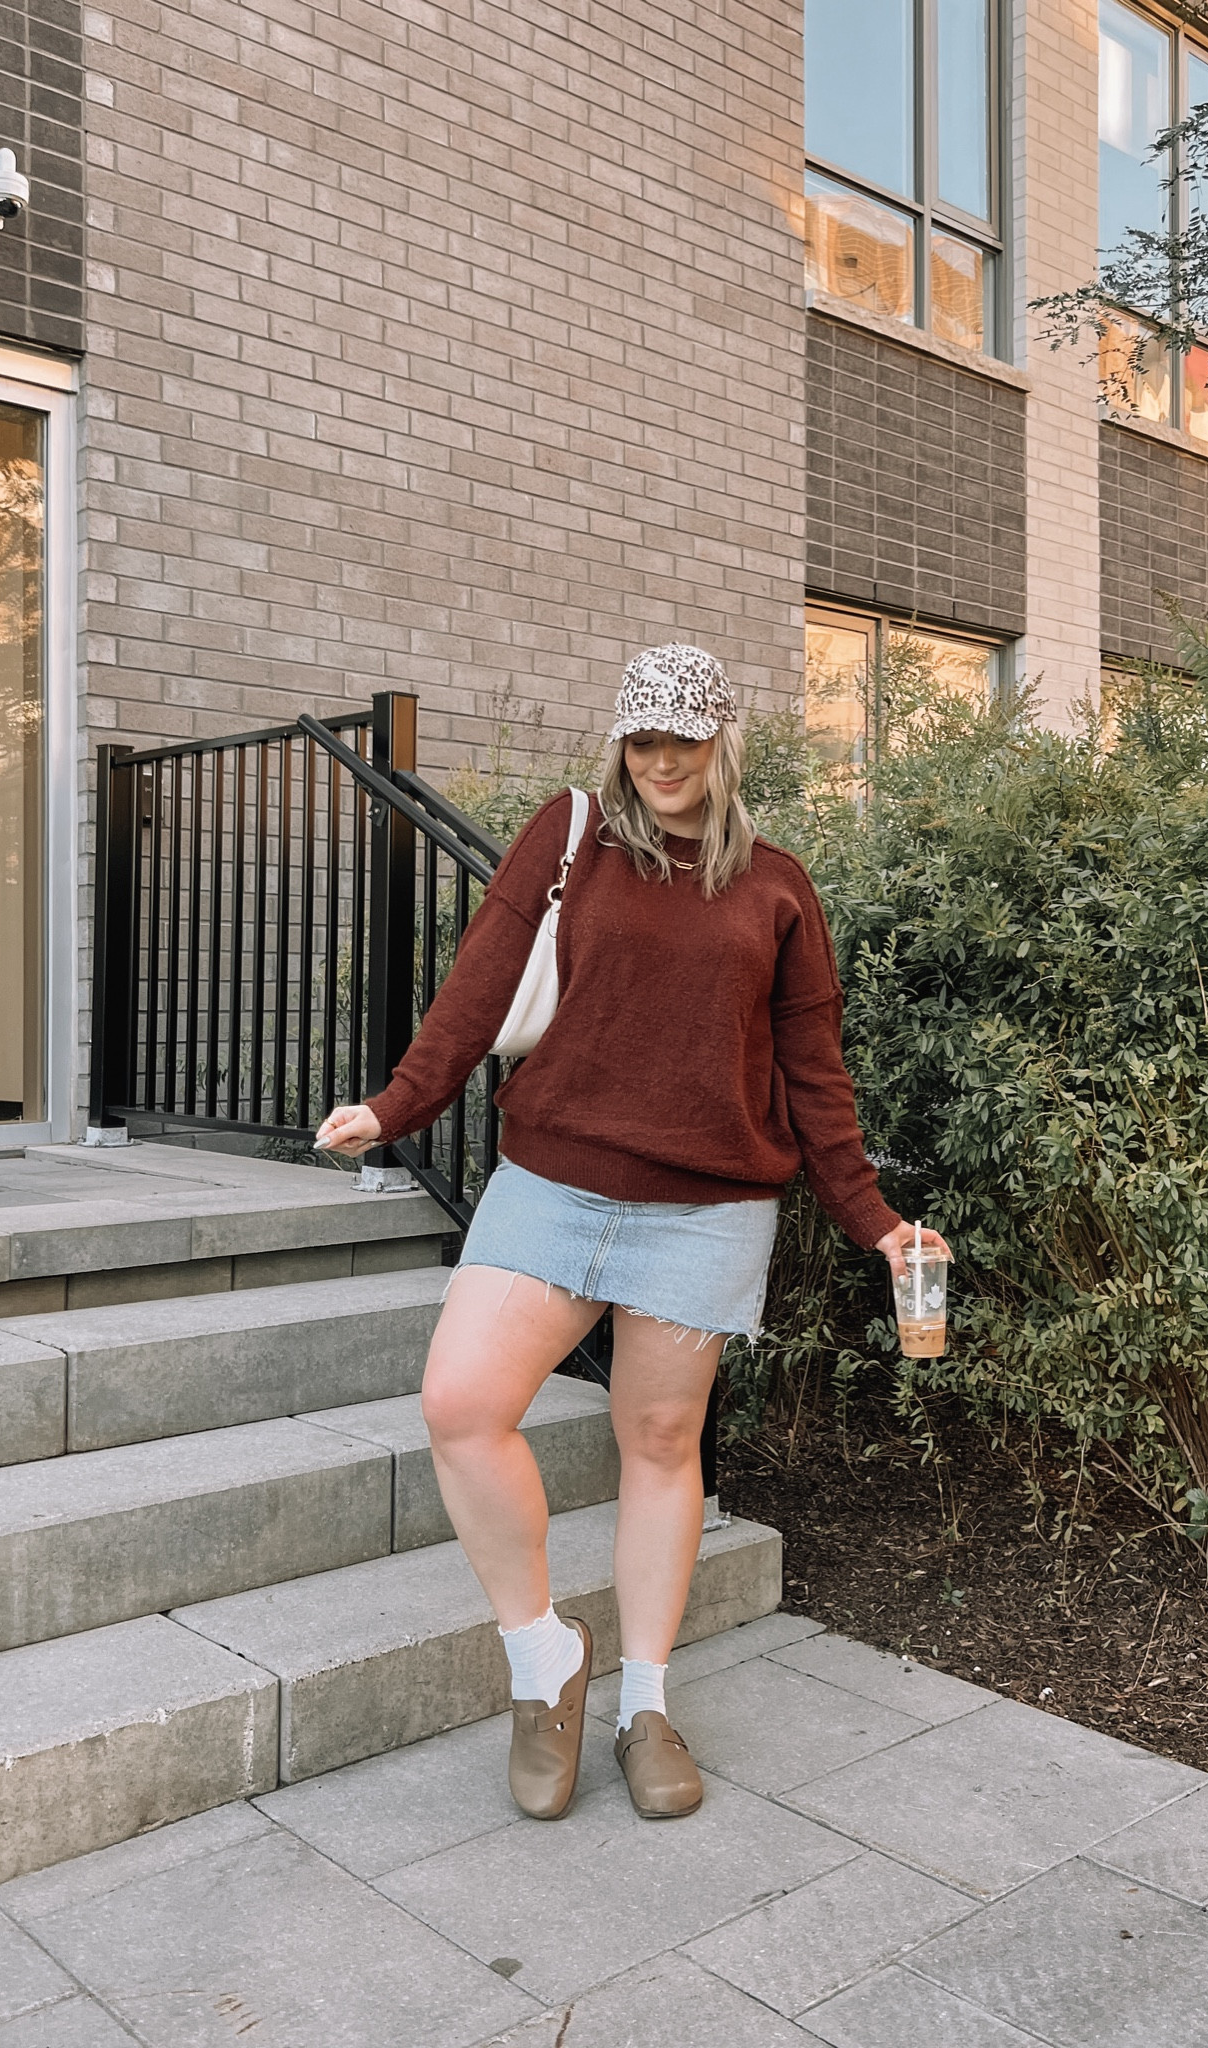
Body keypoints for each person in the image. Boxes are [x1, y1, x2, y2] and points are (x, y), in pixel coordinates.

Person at [316, 643, 950, 1824]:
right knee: (461, 1403)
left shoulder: (777, 888)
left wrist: (873, 1221)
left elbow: (815, 1076)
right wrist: (399, 1105)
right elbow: (475, 988)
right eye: (642, 738)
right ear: (619, 741)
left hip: (706, 1209)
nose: (661, 760)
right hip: (552, 1183)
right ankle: (541, 1662)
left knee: (661, 1444)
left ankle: (644, 1700)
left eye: (683, 737)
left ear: (723, 742)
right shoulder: (568, 838)